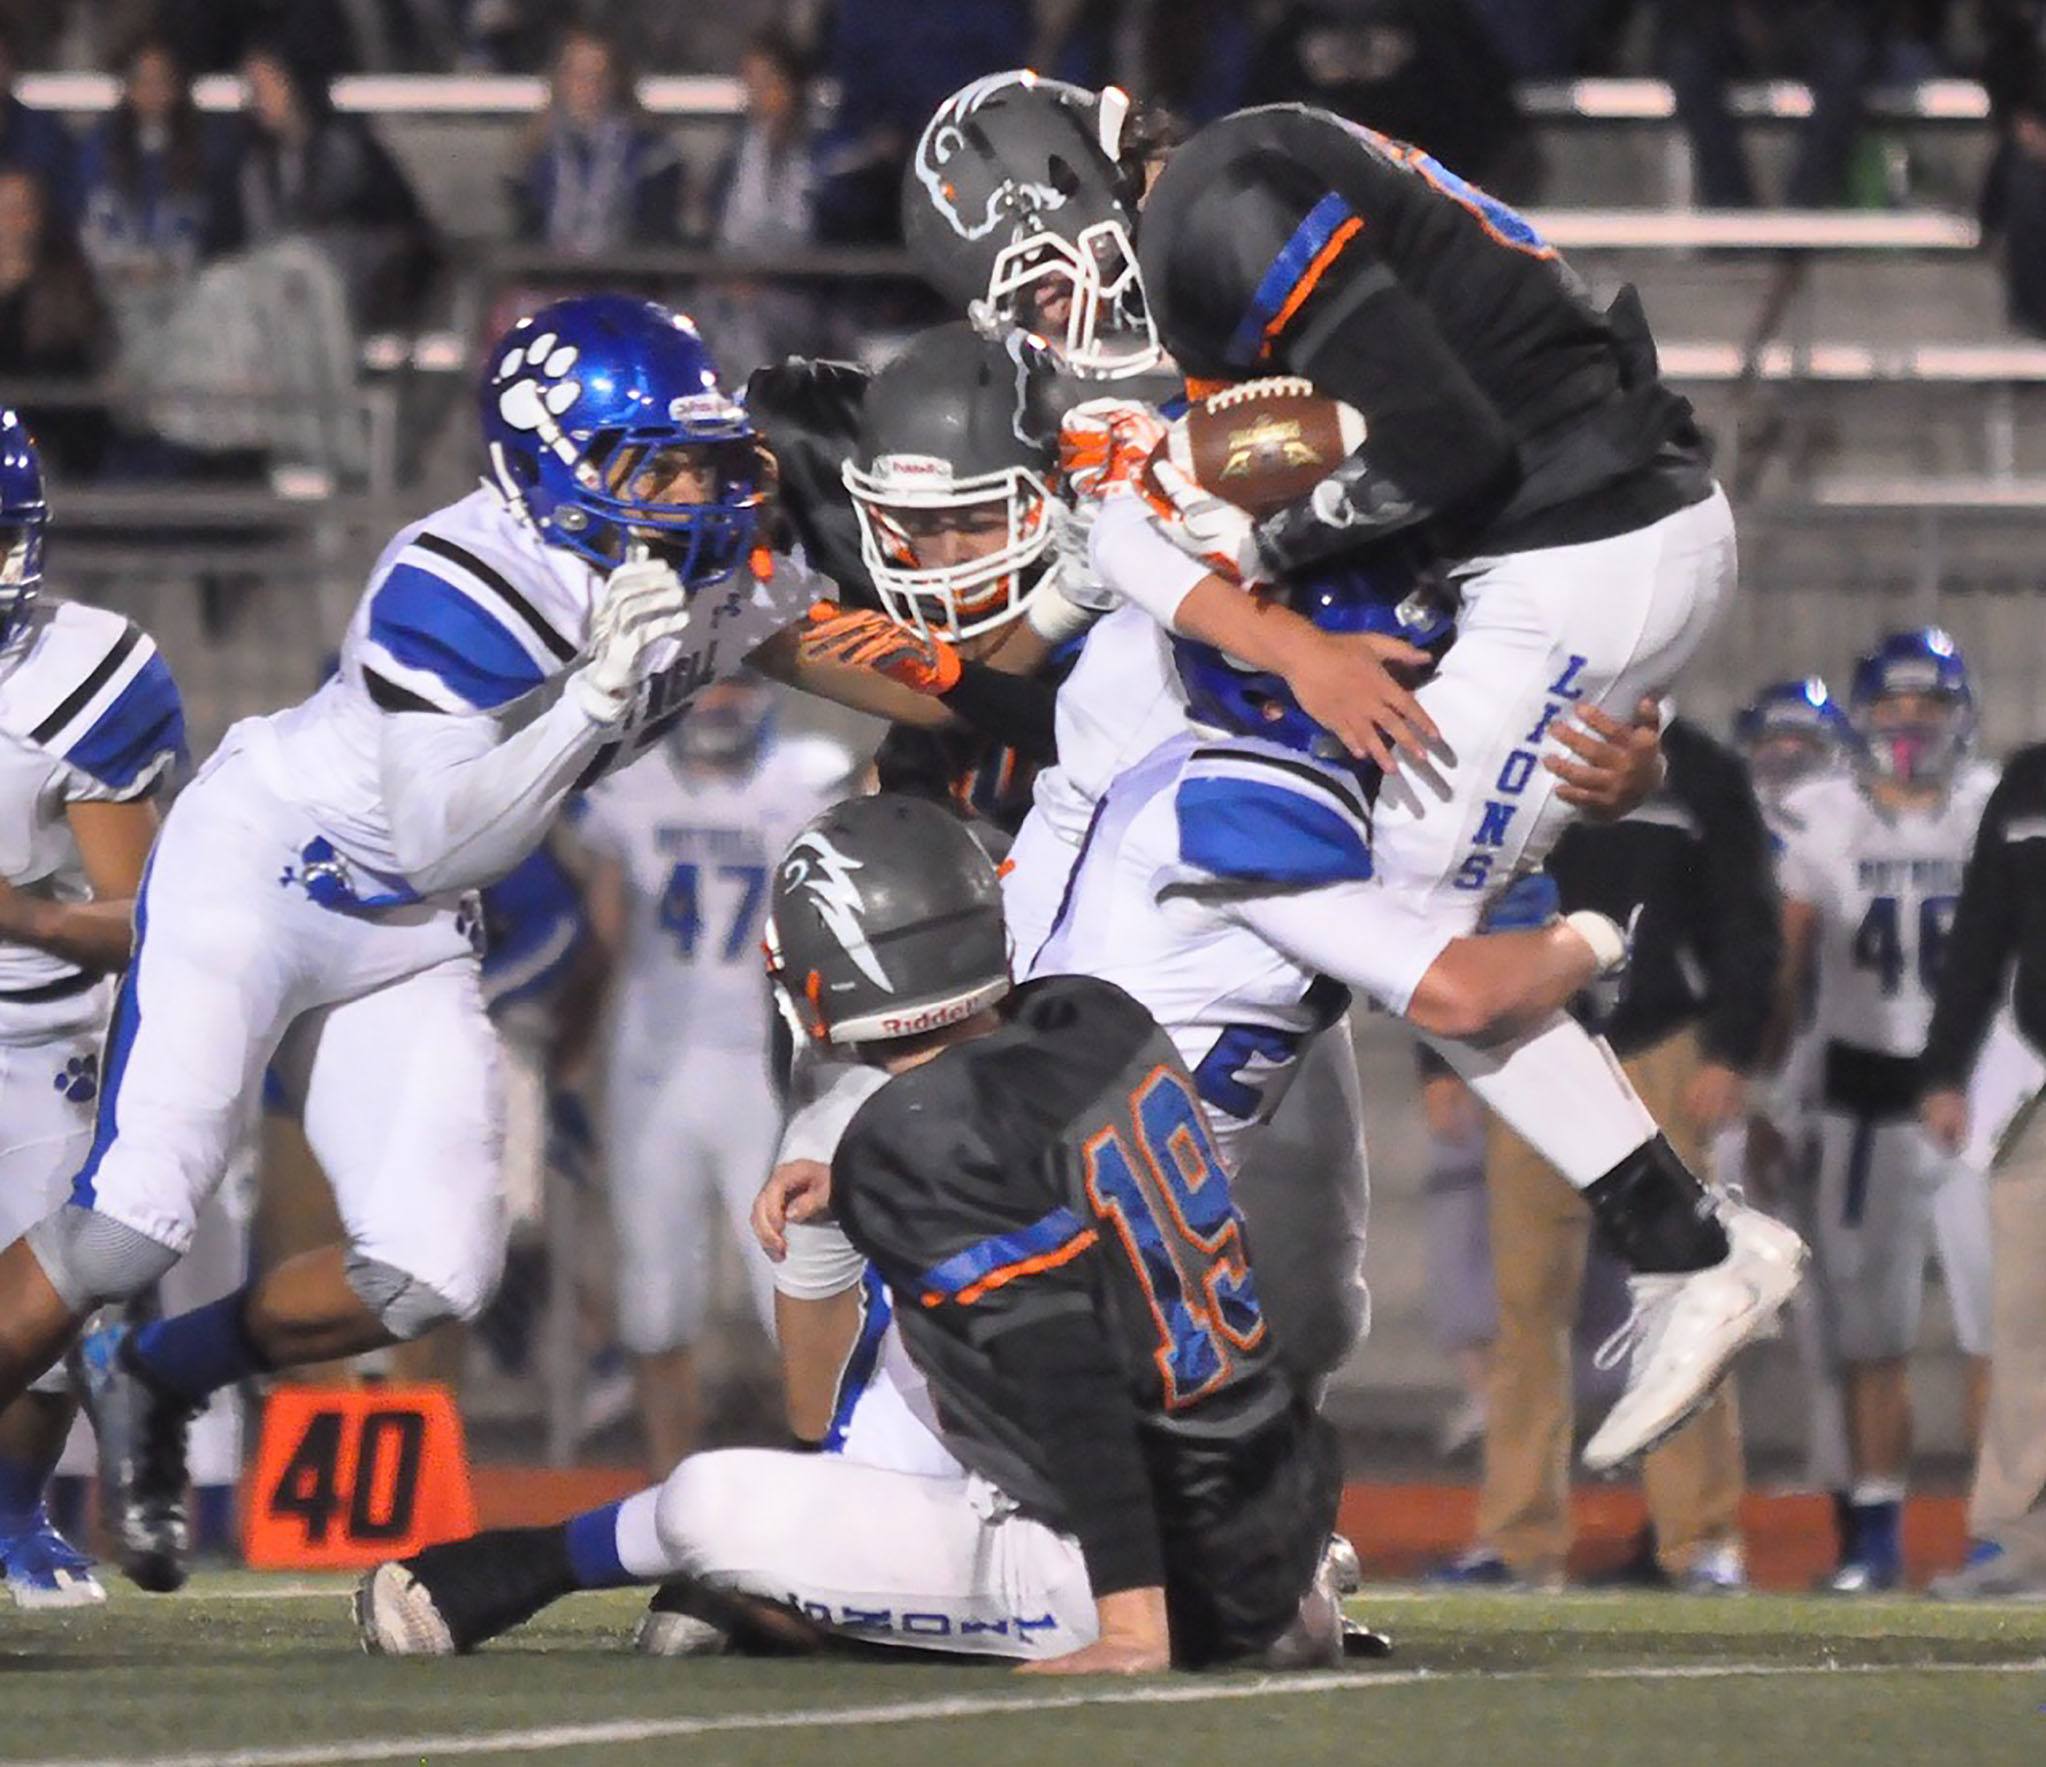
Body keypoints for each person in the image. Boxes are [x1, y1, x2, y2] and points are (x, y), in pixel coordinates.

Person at [0, 293, 883, 1596]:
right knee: (132, 1216)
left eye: (703, 458)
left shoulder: (704, 573)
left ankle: (158, 1373)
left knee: (432, 1267)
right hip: (265, 869)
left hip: (401, 929)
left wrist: (1019, 643)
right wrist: (589, 703)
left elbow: (888, 662)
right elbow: (439, 842)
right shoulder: (457, 575)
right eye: (657, 461)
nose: (694, 490)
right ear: (546, 461)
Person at [356, 794, 1347, 1673]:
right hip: (1275, 1502)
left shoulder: (915, 1140)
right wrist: (858, 1184)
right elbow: (1056, 1179)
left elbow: (1066, 1373)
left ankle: (531, 1569)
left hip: (1145, 1575)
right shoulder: (1090, 1016)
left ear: (827, 984)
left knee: (711, 1501)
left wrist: (1135, 1626)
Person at [1440, 712, 1780, 1593]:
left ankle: (1698, 1537)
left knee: (1687, 1298)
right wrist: (1433, 1047)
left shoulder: (1700, 769)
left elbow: (1749, 912)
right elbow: (1455, 893)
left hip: (1660, 1047)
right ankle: (1519, 1537)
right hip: (1529, 1046)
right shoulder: (1517, 737)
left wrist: (1731, 1047)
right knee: (1525, 1314)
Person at [571, 673, 851, 1473]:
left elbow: (602, 932)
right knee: (664, 1295)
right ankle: (684, 1486)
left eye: (737, 686)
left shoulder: (802, 779)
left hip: (761, 1065)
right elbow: (605, 931)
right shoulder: (639, 784)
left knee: (784, 1284)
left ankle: (807, 1474)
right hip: (664, 1061)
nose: (723, 706)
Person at [0, 411, 186, 1605]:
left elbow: (153, 915)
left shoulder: (82, 670)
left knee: (46, 1303)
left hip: (37, 1022)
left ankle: (12, 1518)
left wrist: (22, 916)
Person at [1774, 627, 1998, 1592]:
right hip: (1864, 1094)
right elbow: (1786, 970)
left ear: (1961, 716)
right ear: (1862, 719)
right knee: (1874, 1337)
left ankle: (2001, 1529)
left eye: (1929, 707)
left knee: (2001, 1329)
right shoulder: (1817, 817)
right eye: (1894, 708)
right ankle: (1875, 1529)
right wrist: (1769, 1083)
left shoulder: (1995, 808)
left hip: (1981, 1096)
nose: (1910, 726)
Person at [1916, 739, 2046, 1599]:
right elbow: (1982, 933)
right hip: (2039, 1073)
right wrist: (1943, 1065)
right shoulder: (2029, 784)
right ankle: (2018, 1538)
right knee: (2025, 1316)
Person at [229, 39, 439, 327]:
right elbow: (260, 237)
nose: (258, 98)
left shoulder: (346, 147)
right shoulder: (256, 166)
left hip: (357, 279)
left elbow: (384, 225)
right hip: (282, 288)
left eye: (267, 86)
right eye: (253, 88)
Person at [508, 24, 683, 257]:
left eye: (599, 76)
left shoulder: (653, 155)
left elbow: (657, 236)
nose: (588, 88)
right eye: (577, 76)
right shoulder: (534, 154)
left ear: (617, 81)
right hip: (548, 279)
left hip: (626, 278)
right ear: (560, 81)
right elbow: (524, 235)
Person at [0, 169, 115, 479]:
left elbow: (74, 383)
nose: (10, 223)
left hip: (50, 444)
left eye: (20, 210)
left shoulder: (67, 290)